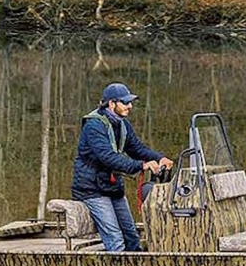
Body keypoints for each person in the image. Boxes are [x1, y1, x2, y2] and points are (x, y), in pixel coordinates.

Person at [71, 82, 173, 251]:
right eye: (125, 102)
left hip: (112, 187)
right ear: (112, 103)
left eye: (130, 102)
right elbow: (109, 158)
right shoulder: (93, 126)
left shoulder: (122, 124)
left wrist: (159, 158)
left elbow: (137, 149)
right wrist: (142, 165)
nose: (130, 106)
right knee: (115, 239)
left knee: (131, 236)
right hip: (91, 189)